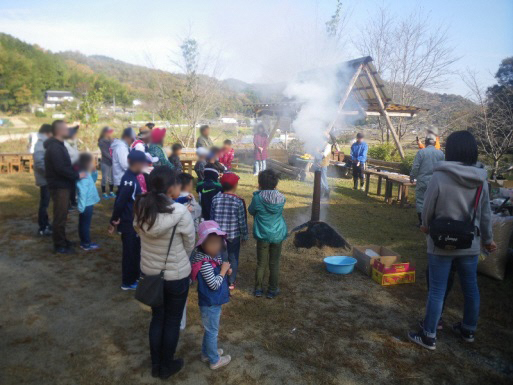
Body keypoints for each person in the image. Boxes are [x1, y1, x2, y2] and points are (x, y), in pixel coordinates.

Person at [408, 130, 496, 351]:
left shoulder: (440, 176)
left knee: (437, 290)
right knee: (471, 288)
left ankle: (429, 335)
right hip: (471, 243)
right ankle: (468, 330)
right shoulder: (481, 179)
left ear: (450, 150)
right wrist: (488, 239)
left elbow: (428, 207)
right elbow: (486, 214)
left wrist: (425, 225)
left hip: (441, 241)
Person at [133, 166, 195, 379]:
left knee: (157, 318)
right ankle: (166, 366)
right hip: (176, 276)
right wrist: (181, 262)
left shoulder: (141, 208)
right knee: (172, 321)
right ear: (171, 188)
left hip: (151, 274)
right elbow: (190, 244)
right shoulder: (180, 213)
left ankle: (156, 364)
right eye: (177, 183)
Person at [190, 221, 232, 370]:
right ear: (202, 244)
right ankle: (214, 360)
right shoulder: (205, 263)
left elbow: (220, 266)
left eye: (218, 243)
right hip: (210, 303)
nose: (216, 247)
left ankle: (206, 353)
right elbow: (214, 284)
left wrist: (225, 270)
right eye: (211, 243)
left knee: (209, 330)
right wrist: (222, 272)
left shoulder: (214, 256)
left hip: (213, 302)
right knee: (212, 332)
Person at [44, 120, 85, 253]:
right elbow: (61, 168)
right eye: (66, 128)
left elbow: (64, 165)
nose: (68, 131)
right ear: (59, 131)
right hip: (59, 186)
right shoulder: (55, 147)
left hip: (64, 185)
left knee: (63, 215)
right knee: (60, 216)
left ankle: (63, 240)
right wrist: (77, 175)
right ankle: (59, 245)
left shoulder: (59, 145)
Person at [109, 150, 146, 290]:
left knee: (136, 250)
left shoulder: (133, 177)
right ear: (136, 163)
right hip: (128, 222)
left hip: (134, 222)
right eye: (142, 164)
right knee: (130, 252)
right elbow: (120, 201)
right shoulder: (129, 180)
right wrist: (114, 220)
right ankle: (127, 282)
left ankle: (135, 276)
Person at [248, 169, 287, 299]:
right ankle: (272, 289)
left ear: (260, 183)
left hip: (263, 235)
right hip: (277, 234)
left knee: (261, 263)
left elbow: (251, 211)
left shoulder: (257, 198)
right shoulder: (282, 198)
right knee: (274, 263)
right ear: (275, 183)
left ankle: (258, 289)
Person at [211, 172, 249, 290]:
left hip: (218, 236)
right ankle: (231, 282)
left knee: (219, 257)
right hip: (233, 236)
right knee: (233, 258)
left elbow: (211, 217)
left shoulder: (215, 199)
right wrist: (245, 236)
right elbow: (242, 221)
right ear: (235, 185)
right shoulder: (238, 201)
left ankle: (219, 278)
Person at [410, 133, 445, 226]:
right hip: (436, 180)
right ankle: (432, 221)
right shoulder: (440, 153)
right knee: (434, 201)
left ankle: (421, 222)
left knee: (421, 200)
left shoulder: (421, 152)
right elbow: (444, 167)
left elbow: (415, 167)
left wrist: (412, 176)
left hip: (422, 180)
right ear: (434, 143)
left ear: (425, 142)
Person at [76, 153, 100, 251]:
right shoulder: (83, 175)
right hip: (86, 204)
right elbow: (82, 192)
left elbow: (92, 181)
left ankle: (84, 242)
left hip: (87, 203)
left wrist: (94, 172)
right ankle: (86, 243)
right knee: (85, 224)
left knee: (83, 223)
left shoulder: (84, 172)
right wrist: (81, 207)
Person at [33, 123, 53, 236]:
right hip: (45, 180)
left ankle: (46, 224)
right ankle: (42, 227)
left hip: (46, 179)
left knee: (45, 203)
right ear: (47, 133)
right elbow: (40, 164)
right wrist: (51, 174)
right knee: (44, 204)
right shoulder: (40, 145)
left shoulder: (44, 143)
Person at [65, 125, 80, 209]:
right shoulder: (65, 144)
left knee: (73, 185)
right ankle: (68, 204)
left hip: (75, 167)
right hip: (69, 168)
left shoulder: (73, 142)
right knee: (68, 186)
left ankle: (73, 201)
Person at [98, 126, 115, 199]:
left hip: (112, 162)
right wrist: (113, 159)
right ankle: (104, 192)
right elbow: (104, 152)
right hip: (105, 162)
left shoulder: (111, 140)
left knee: (111, 178)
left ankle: (111, 191)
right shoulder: (101, 141)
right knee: (105, 178)